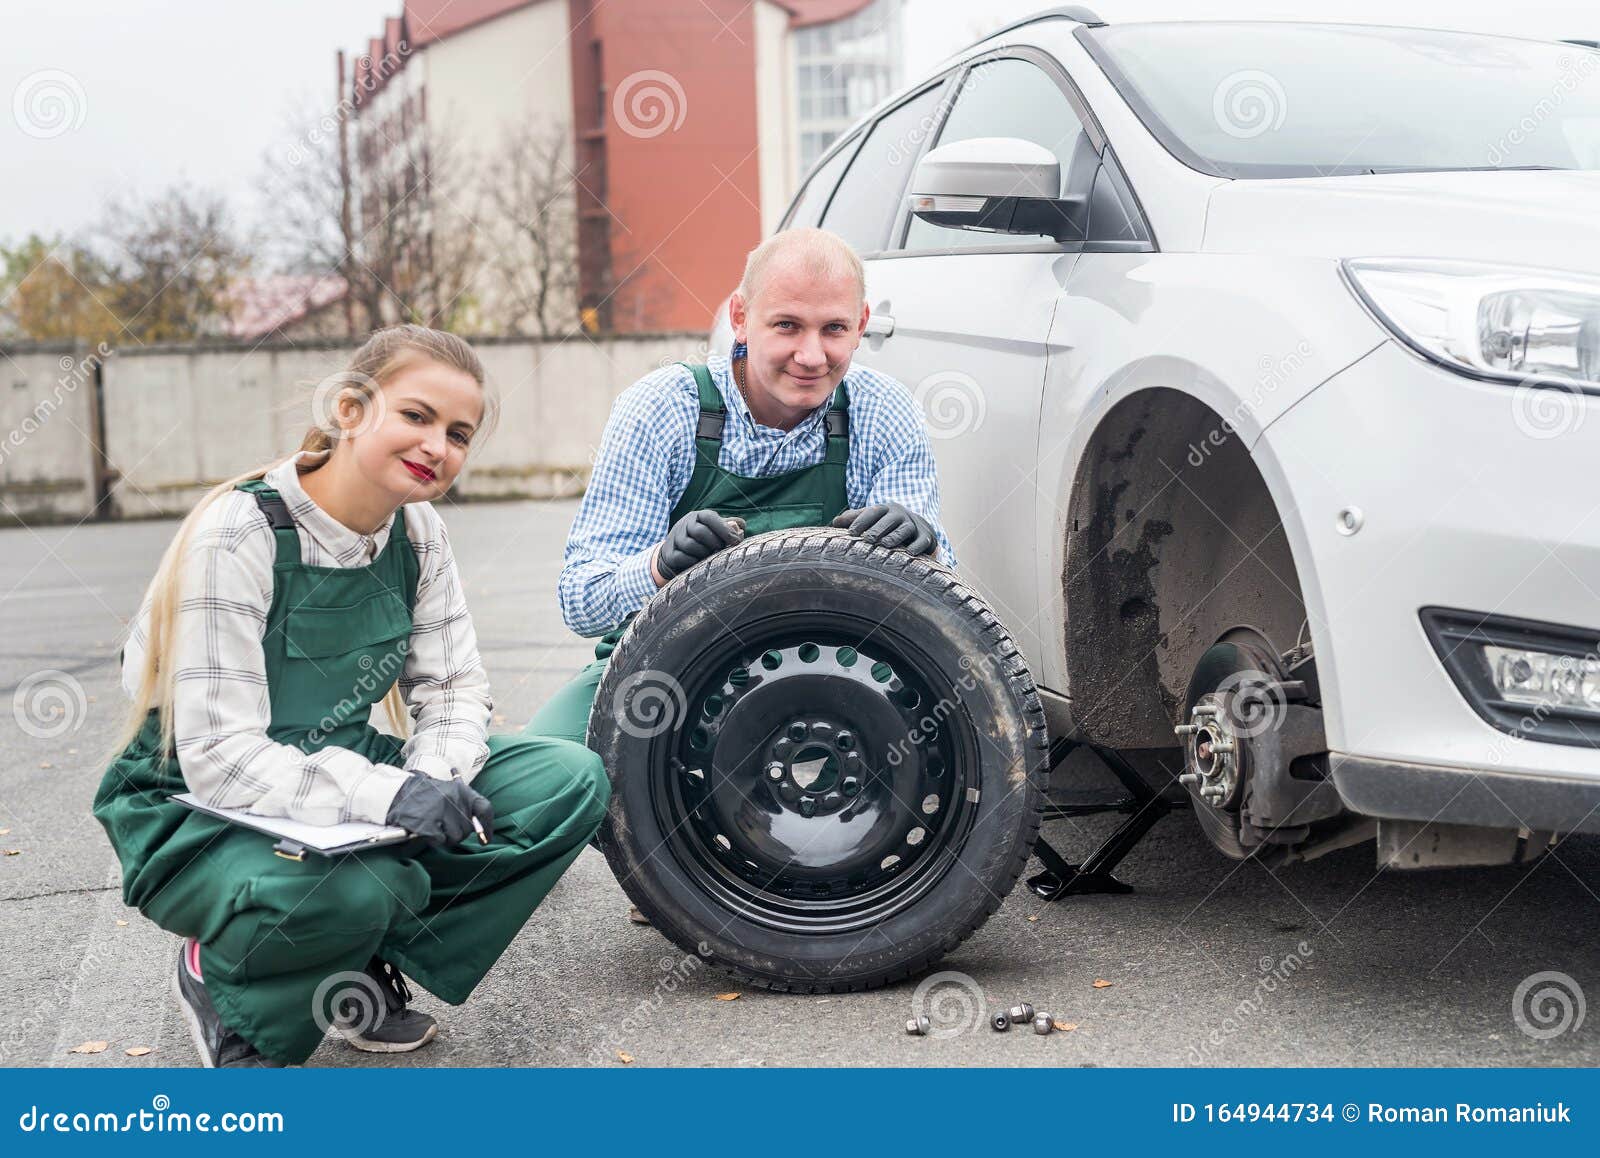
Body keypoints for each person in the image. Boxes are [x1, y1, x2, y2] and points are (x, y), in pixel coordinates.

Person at [93, 325, 609, 1067]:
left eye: (458, 433)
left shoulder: (418, 532)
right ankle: (233, 992)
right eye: (417, 416)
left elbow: (453, 688)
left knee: (566, 782)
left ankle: (350, 965)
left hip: (337, 762)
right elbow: (219, 756)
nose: (439, 445)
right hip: (191, 800)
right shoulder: (240, 532)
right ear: (350, 408)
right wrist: (389, 798)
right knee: (364, 888)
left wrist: (433, 778)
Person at [523, 229, 955, 908]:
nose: (811, 355)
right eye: (787, 325)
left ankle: (840, 883)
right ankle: (671, 863)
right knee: (534, 790)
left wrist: (924, 552)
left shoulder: (882, 410)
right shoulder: (663, 409)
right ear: (739, 317)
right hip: (666, 672)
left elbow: (950, 613)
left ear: (862, 326)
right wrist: (661, 567)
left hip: (839, 676)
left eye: (834, 329)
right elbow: (583, 601)